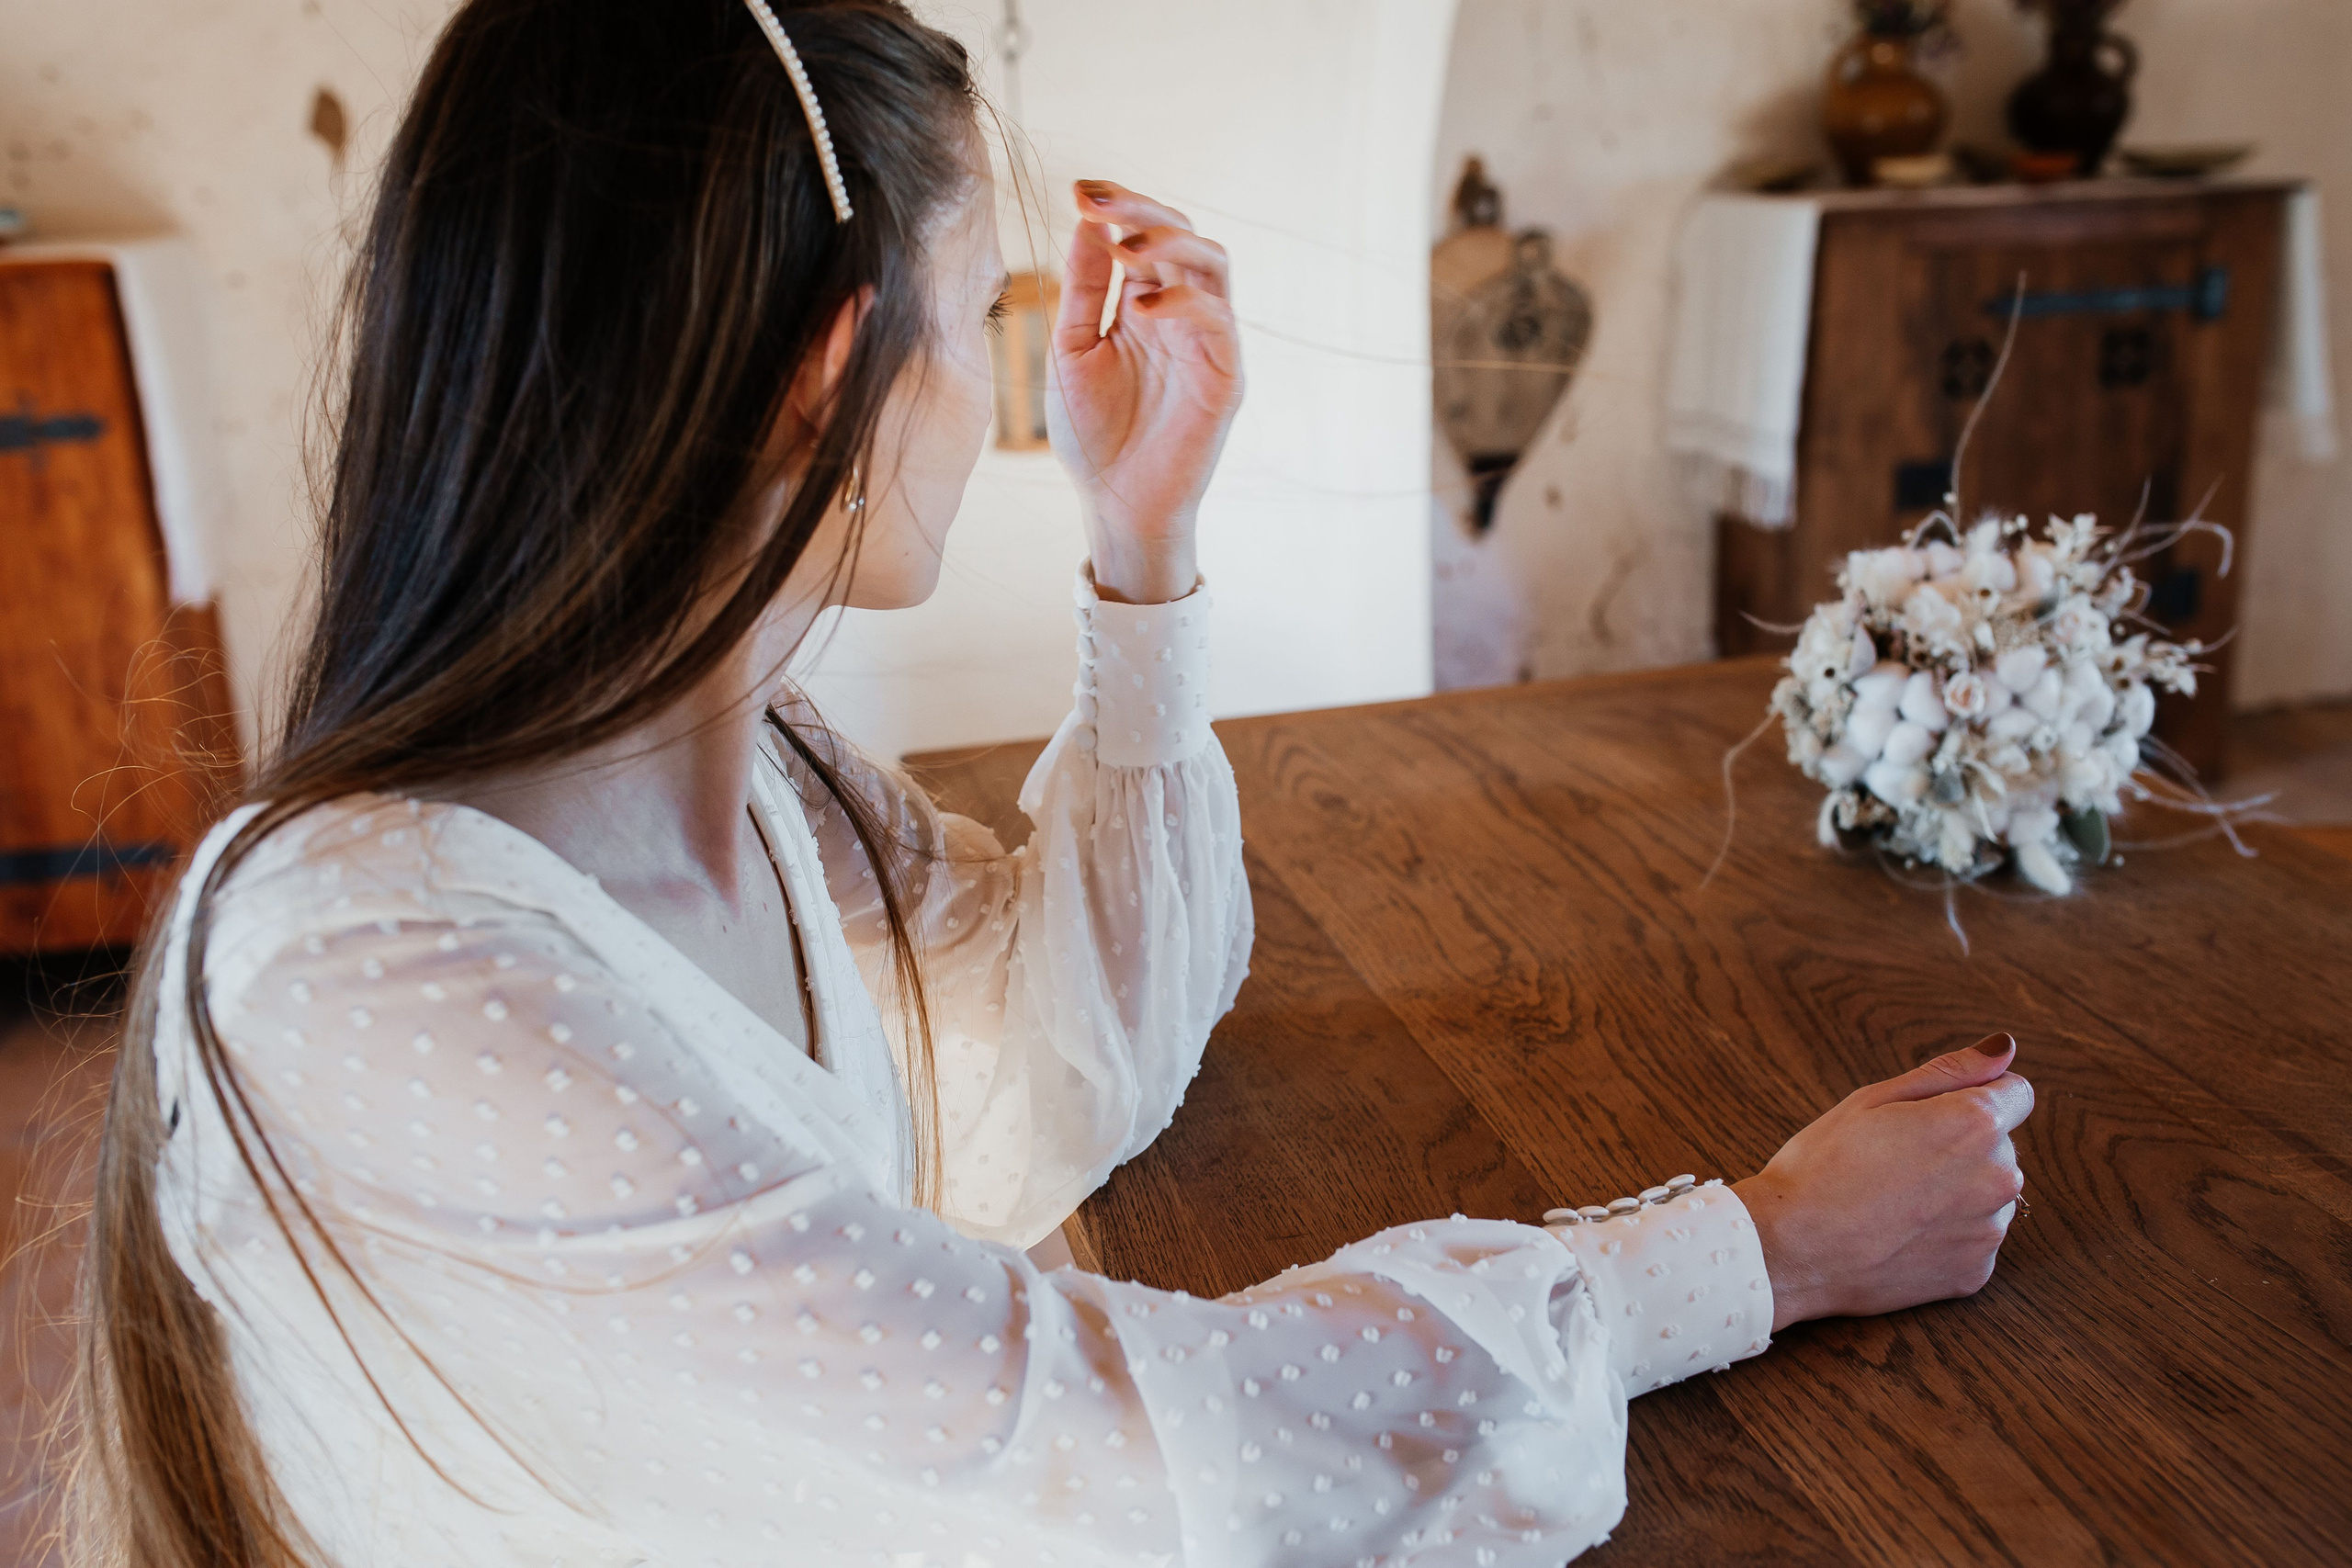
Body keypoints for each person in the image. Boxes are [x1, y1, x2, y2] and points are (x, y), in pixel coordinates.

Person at [72, 2, 2033, 1563]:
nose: (998, 377)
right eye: (981, 317)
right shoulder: (370, 973)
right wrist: (1760, 1246)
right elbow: (1127, 1477)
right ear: (834, 375)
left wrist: (1142, 544)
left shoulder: (764, 780)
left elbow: (1052, 1071)